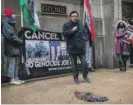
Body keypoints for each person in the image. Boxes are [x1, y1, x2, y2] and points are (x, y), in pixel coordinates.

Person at [62, 11, 91, 84]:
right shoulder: (66, 25)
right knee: (74, 65)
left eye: (76, 16)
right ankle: (75, 78)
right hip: (72, 48)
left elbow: (85, 33)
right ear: (70, 17)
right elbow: (64, 33)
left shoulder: (81, 23)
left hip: (81, 48)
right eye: (73, 16)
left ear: (78, 16)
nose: (75, 17)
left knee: (84, 63)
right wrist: (72, 30)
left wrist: (85, 39)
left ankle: (85, 76)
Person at [2, 8, 25, 84]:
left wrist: (20, 32)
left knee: (16, 64)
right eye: (12, 14)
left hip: (15, 47)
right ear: (9, 15)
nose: (14, 15)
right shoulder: (6, 24)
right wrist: (20, 41)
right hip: (10, 47)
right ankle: (12, 79)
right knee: (12, 64)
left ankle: (16, 77)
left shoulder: (12, 24)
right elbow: (10, 37)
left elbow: (15, 35)